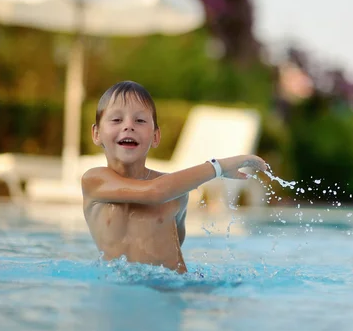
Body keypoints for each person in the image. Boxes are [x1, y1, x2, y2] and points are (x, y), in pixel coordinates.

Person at [82, 81, 267, 274]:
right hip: (124, 290)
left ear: (155, 136)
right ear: (96, 134)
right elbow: (155, 192)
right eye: (116, 120)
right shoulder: (94, 180)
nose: (128, 126)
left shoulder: (176, 192)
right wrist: (218, 167)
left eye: (140, 121)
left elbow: (177, 241)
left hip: (176, 288)